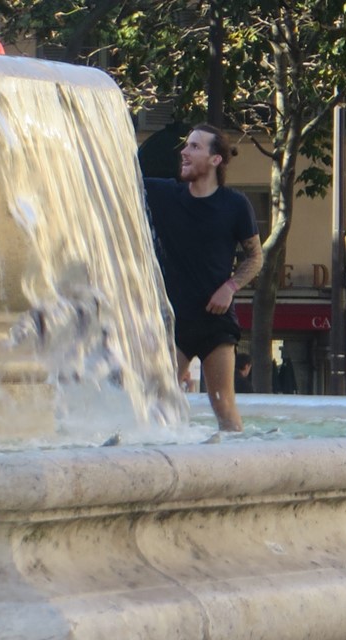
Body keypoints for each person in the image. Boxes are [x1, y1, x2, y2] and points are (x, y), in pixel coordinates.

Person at [145, 124, 263, 432]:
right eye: (186, 145)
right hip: (174, 321)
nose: (184, 151)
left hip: (216, 321)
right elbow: (118, 175)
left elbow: (255, 256)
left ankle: (240, 470)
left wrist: (231, 286)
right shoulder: (164, 194)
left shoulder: (235, 205)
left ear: (215, 160)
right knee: (156, 403)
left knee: (222, 403)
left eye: (195, 147)